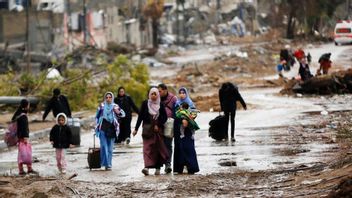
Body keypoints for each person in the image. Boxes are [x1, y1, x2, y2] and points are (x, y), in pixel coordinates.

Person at [132, 87, 169, 176]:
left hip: (158, 131)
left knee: (157, 148)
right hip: (147, 130)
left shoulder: (161, 104)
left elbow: (164, 117)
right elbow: (140, 117)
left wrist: (158, 124)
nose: (153, 96)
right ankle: (146, 167)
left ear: (158, 95)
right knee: (147, 148)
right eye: (152, 94)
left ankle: (158, 168)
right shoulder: (145, 104)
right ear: (149, 95)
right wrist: (136, 129)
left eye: (155, 94)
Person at [95, 92, 125, 170]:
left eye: (110, 97)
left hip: (112, 128)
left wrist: (117, 111)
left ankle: (109, 164)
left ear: (112, 98)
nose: (108, 99)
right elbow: (97, 116)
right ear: (105, 98)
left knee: (110, 148)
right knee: (104, 146)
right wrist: (96, 125)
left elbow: (123, 114)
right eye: (107, 97)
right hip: (103, 127)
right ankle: (104, 163)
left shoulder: (115, 106)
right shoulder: (101, 106)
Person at [173, 87, 200, 174]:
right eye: (180, 92)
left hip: (188, 129)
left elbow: (194, 113)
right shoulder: (177, 104)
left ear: (186, 93)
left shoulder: (190, 103)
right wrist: (181, 120)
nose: (182, 94)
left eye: (183, 92)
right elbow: (175, 115)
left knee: (189, 148)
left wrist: (191, 118)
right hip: (179, 129)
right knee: (180, 148)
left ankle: (191, 167)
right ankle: (180, 168)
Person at [13, 99, 38, 175]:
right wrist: (25, 137)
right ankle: (29, 169)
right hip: (23, 138)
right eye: (28, 105)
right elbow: (24, 127)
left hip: (19, 137)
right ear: (26, 106)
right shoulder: (23, 116)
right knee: (27, 153)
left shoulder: (18, 114)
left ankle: (21, 170)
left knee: (21, 153)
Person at [158, 83, 177, 174]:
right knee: (159, 145)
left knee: (168, 145)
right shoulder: (156, 99)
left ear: (165, 90)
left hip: (169, 124)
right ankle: (158, 165)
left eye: (160, 91)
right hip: (159, 125)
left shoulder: (173, 99)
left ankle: (168, 165)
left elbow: (176, 111)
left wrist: (172, 121)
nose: (158, 93)